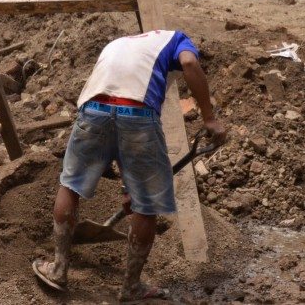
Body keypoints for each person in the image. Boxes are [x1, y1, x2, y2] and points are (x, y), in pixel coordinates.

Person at [31, 30, 228, 301]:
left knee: (71, 185)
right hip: (138, 115)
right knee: (146, 205)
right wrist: (209, 118)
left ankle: (58, 269)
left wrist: (128, 189)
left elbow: (114, 110)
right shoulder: (178, 39)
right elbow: (190, 64)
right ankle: (131, 287)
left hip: (93, 111)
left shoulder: (118, 43)